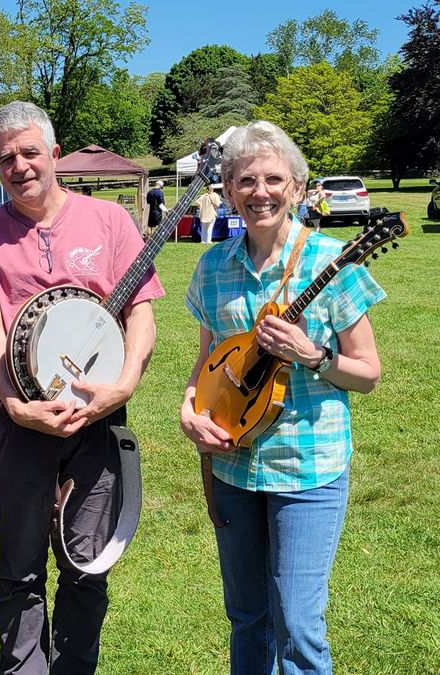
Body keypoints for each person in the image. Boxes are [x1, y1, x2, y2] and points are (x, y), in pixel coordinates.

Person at [0, 101, 163, 673]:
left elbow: (141, 313)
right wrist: (17, 407)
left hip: (98, 421)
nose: (19, 166)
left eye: (28, 152)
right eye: (6, 158)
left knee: (86, 566)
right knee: (19, 569)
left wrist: (122, 387)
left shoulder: (110, 222)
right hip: (22, 423)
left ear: (52, 152)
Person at [180, 121, 383, 674]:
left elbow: (367, 373)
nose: (259, 191)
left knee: (297, 624)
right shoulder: (213, 266)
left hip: (308, 468)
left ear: (297, 187)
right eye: (245, 180)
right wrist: (189, 408)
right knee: (247, 615)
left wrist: (313, 355)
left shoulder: (331, 261)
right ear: (227, 189)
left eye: (273, 179)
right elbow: (208, 362)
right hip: (231, 467)